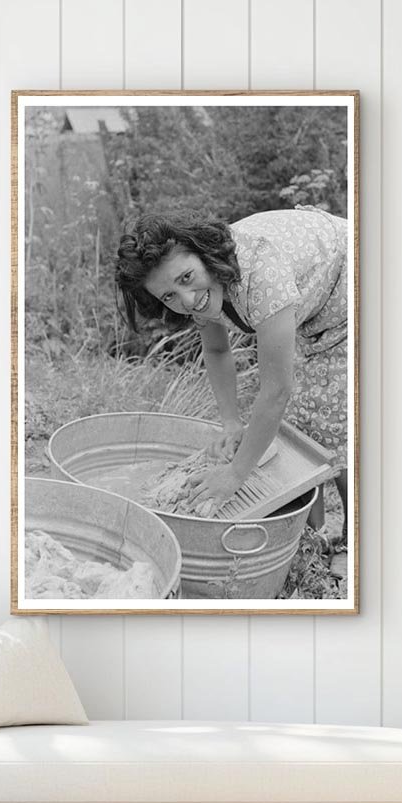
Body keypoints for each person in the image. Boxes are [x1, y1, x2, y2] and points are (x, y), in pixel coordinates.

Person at [114, 204, 350, 557]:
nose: (187, 300)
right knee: (298, 425)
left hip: (357, 284)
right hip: (314, 305)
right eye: (169, 296)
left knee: (335, 428)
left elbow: (276, 391)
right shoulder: (198, 289)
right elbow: (217, 351)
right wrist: (229, 423)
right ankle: (307, 538)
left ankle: (359, 541)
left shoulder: (261, 275)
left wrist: (235, 474)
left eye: (185, 279)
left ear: (204, 253)